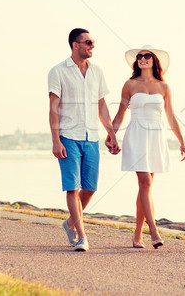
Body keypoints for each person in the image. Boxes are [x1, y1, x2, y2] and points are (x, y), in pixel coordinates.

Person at [48, 28, 120, 252]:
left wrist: (112, 133)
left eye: (93, 42)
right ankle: (81, 236)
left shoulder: (97, 71)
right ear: (75, 45)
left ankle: (70, 222)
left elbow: (101, 105)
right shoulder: (58, 71)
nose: (92, 46)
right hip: (68, 136)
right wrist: (55, 141)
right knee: (72, 187)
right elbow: (53, 108)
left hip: (91, 137)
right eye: (88, 42)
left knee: (89, 188)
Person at [110, 45, 185, 249]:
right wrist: (111, 135)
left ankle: (137, 236)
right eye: (139, 56)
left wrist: (182, 141)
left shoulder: (164, 87)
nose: (142, 58)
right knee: (144, 182)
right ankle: (153, 231)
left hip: (156, 136)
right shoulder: (129, 84)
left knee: (146, 186)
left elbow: (170, 116)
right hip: (136, 134)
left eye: (146, 56)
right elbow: (120, 114)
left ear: (154, 61)